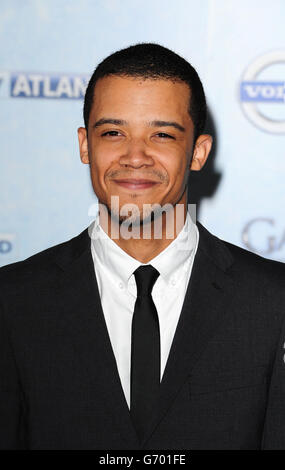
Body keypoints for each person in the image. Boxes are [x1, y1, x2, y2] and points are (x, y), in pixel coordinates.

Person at [1, 42, 285, 451]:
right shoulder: (12, 301)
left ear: (198, 152)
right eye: (113, 132)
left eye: (162, 134)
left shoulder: (273, 303)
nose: (135, 156)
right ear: (85, 145)